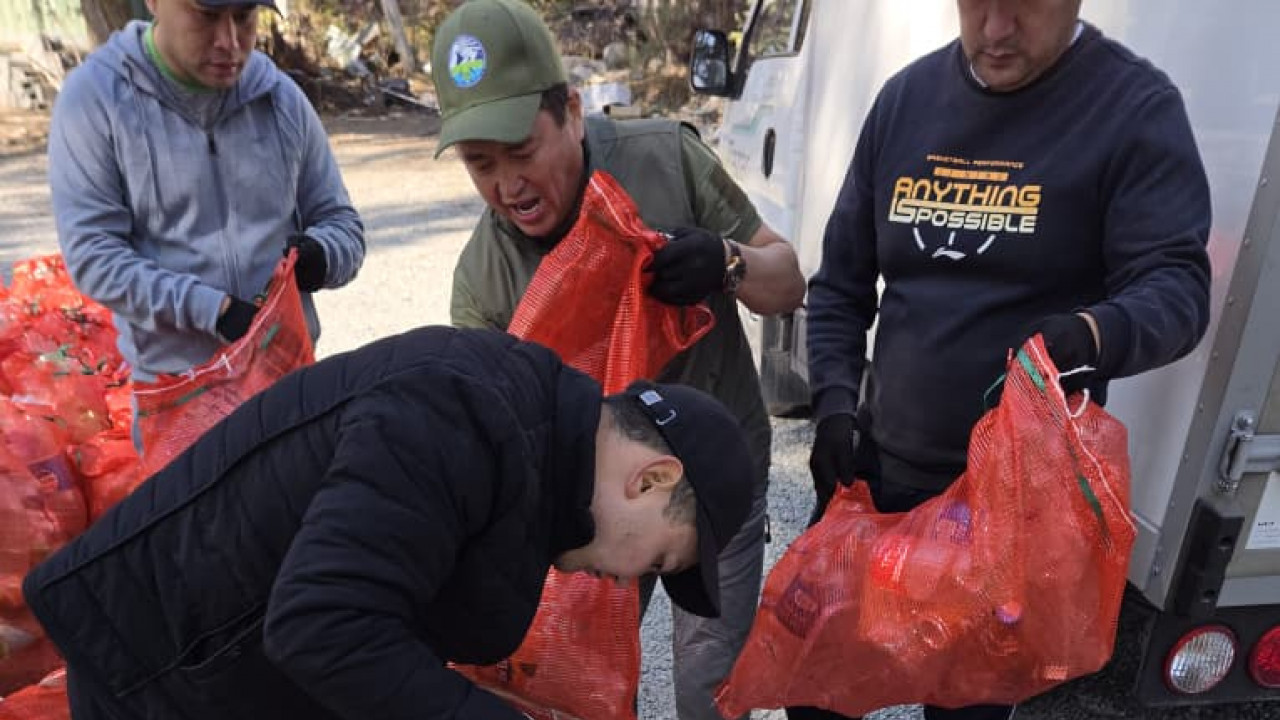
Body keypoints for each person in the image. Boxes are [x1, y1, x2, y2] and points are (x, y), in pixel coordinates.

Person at [800, 1, 1212, 719]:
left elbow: (1177, 287)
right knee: (815, 687)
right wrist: (834, 402)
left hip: (1009, 509)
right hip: (879, 474)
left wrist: (1092, 334)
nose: (994, 30)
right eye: (977, 3)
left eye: (1022, 7)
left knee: (965, 703)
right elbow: (840, 284)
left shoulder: (1132, 109)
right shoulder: (906, 101)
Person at [22, 326, 757, 720]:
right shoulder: (460, 412)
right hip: (158, 671)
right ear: (652, 479)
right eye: (657, 562)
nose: (625, 582)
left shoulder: (530, 438)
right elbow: (322, 625)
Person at [430, 2, 807, 719]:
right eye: (481, 163)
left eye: (521, 150)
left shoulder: (664, 160)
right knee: (581, 683)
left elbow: (787, 283)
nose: (507, 185)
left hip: (712, 477)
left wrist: (725, 262)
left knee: (709, 681)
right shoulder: (484, 280)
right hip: (593, 511)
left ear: (572, 113)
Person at [47, 0, 365, 392]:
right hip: (177, 395)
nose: (229, 41)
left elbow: (341, 222)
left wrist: (323, 255)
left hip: (287, 382)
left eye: (244, 17)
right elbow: (94, 255)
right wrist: (213, 311)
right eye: (208, 16)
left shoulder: (281, 98)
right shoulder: (96, 101)